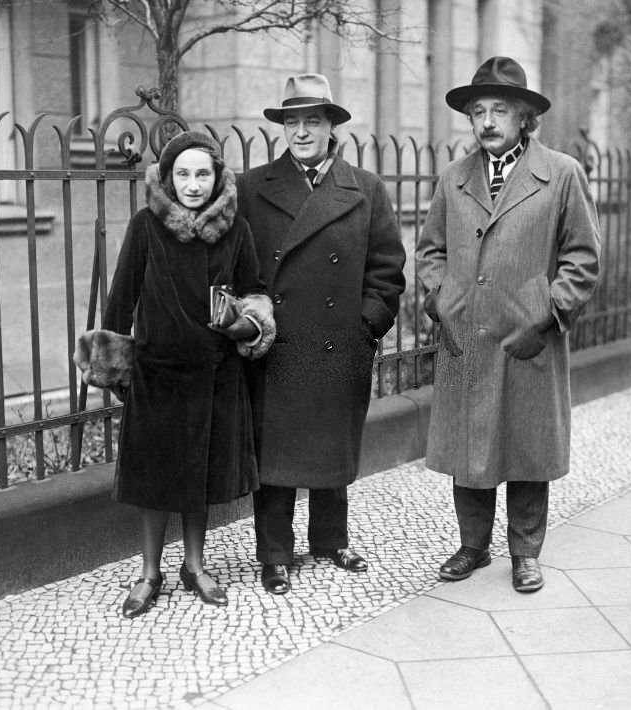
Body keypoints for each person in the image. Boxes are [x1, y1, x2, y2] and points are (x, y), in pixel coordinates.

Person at [415, 57, 601, 593]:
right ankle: (472, 546)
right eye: (479, 111)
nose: (488, 121)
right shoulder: (454, 178)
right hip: (466, 333)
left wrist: (547, 315)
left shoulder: (561, 173)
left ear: (524, 118)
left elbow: (583, 259)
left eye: (500, 110)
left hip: (528, 335)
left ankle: (525, 552)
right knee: (468, 446)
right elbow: (430, 250)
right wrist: (440, 302)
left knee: (526, 445)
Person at [76, 131, 276, 617]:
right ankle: (149, 572)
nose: (192, 184)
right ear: (167, 177)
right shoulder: (147, 226)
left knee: (199, 474)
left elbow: (254, 293)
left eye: (202, 174)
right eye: (182, 174)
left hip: (214, 375)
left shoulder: (237, 231)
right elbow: (120, 299)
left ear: (217, 178)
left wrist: (245, 322)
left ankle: (195, 565)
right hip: (157, 376)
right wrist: (115, 370)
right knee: (154, 478)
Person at [237, 73, 406, 595]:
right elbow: (239, 267)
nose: (302, 131)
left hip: (339, 341)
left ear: (332, 126)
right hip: (277, 343)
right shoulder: (252, 187)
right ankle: (274, 554)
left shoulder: (367, 188)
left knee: (332, 443)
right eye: (293, 121)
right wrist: (251, 318)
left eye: (313, 120)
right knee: (277, 453)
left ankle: (331, 540)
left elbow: (387, 268)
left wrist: (366, 328)